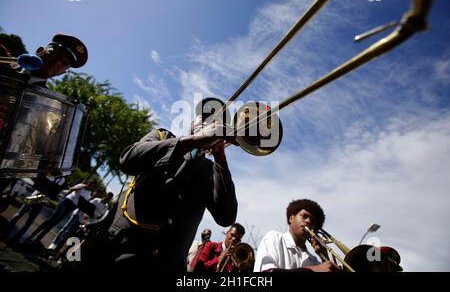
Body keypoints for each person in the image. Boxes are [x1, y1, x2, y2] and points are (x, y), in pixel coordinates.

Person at [87, 100, 238, 272]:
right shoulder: (162, 137)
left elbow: (226, 217)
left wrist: (220, 155)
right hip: (112, 251)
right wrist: (196, 140)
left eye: (215, 122)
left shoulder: (214, 171)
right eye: (204, 117)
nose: (207, 123)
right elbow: (128, 160)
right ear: (192, 122)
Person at [253, 199, 339, 272]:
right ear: (291, 218)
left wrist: (325, 258)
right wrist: (313, 270)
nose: (308, 221)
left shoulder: (314, 261)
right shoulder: (274, 238)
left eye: (312, 221)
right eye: (304, 216)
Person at [29, 180, 95, 244]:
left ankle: (38, 238)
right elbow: (71, 189)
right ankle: (33, 234)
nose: (90, 186)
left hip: (72, 207)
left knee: (54, 223)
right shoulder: (81, 185)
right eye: (90, 184)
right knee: (51, 220)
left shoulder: (89, 193)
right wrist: (80, 187)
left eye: (92, 186)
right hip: (66, 202)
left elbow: (84, 203)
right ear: (88, 183)